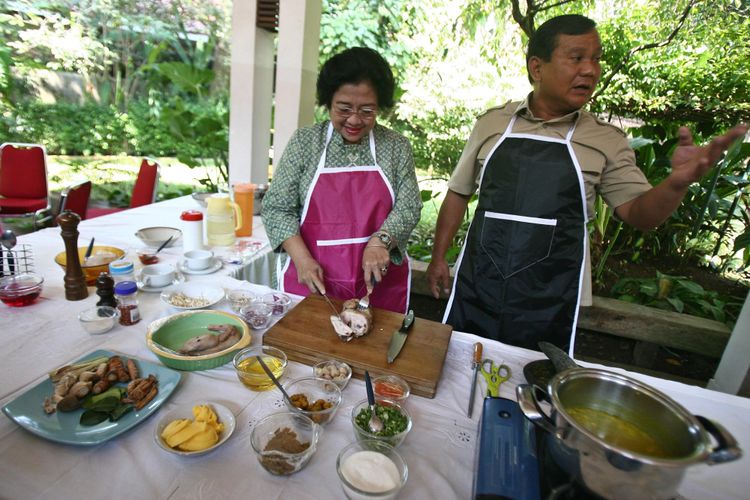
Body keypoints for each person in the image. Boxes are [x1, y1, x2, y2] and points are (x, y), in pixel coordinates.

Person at [426, 14, 747, 351]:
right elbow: (458, 192)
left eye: (596, 59)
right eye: (577, 58)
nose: (591, 70)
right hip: (479, 285)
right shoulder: (492, 124)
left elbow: (641, 215)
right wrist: (437, 259)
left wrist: (676, 183)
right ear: (537, 67)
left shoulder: (605, 140)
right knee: (460, 370)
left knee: (533, 386)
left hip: (551, 298)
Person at [262, 47, 422, 313]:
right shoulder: (305, 143)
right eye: (344, 109)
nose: (355, 120)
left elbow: (409, 205)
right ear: (328, 102)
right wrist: (301, 259)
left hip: (378, 287)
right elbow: (277, 208)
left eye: (367, 111)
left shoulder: (395, 146)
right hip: (312, 281)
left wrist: (380, 241)